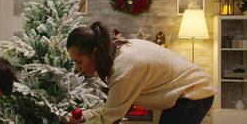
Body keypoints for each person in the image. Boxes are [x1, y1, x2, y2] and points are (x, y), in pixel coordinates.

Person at [64, 21, 216, 124]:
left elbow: (109, 119)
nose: (77, 69)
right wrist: (85, 115)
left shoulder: (123, 69)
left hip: (194, 93)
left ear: (94, 53)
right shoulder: (119, 52)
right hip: (186, 95)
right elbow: (114, 108)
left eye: (79, 62)